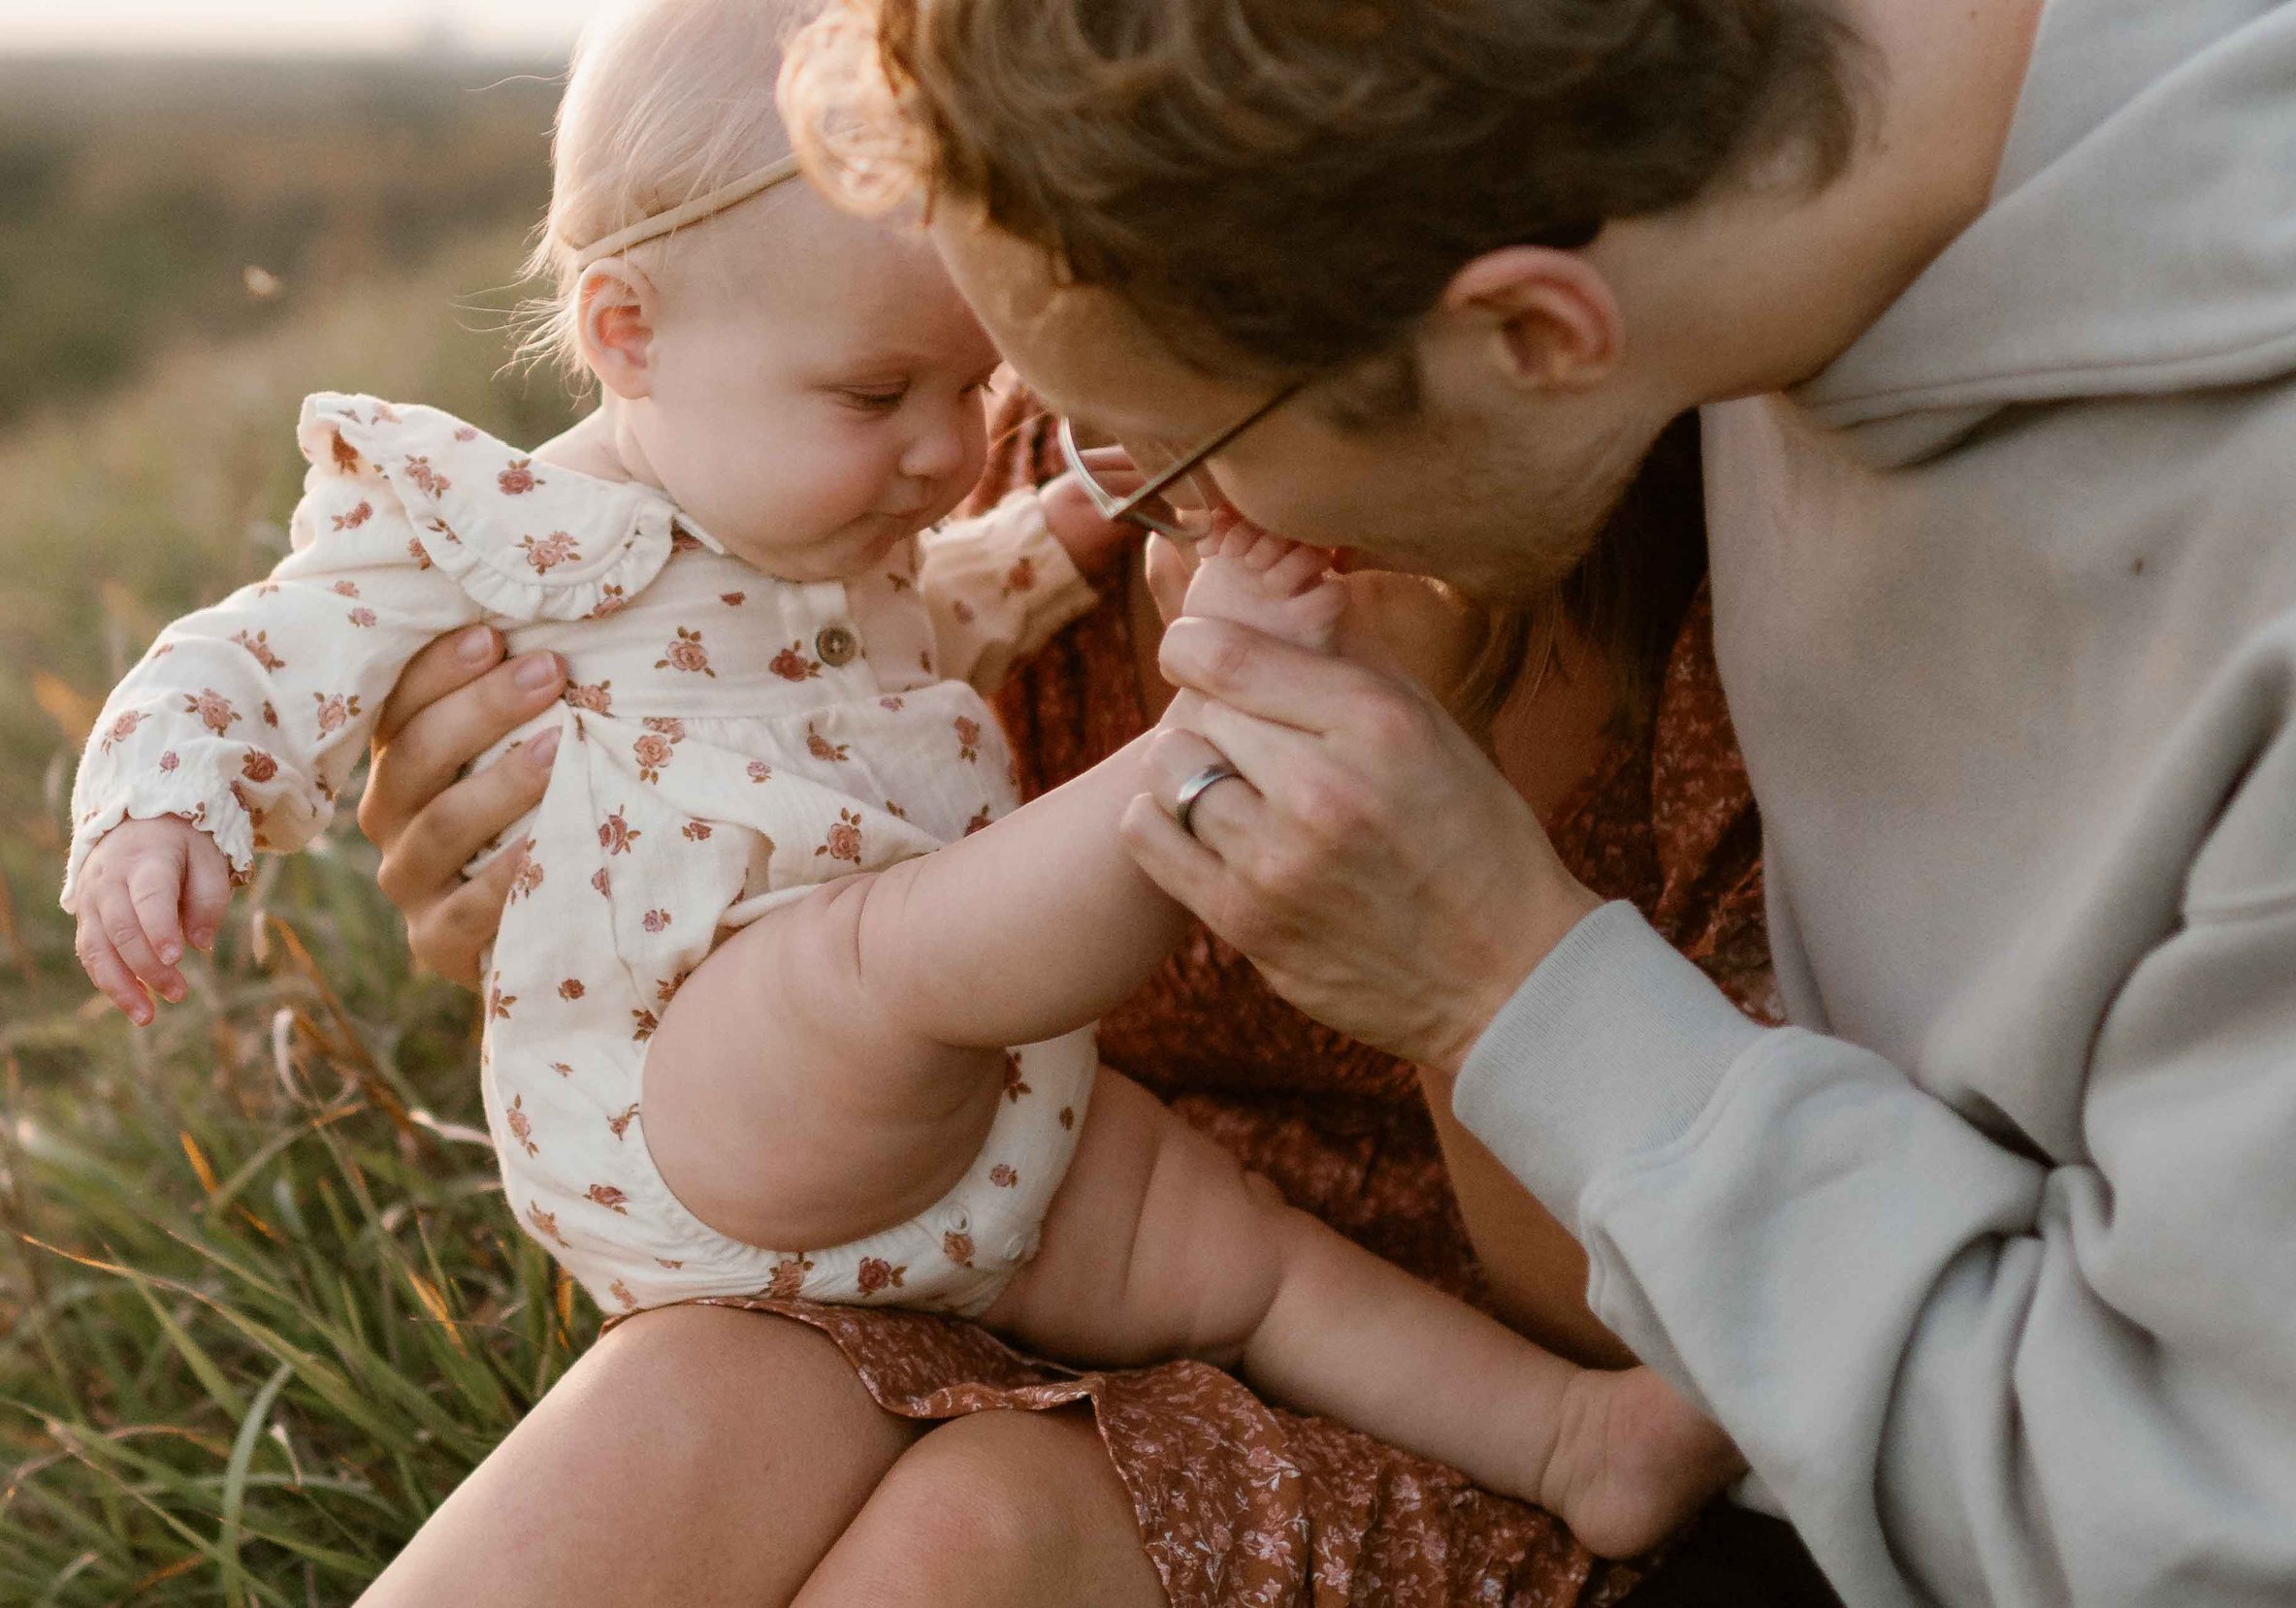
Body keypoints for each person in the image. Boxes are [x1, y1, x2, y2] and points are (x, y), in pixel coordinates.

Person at [63, 0, 1733, 1581]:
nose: (948, 454)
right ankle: (1225, 753)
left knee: (1249, 1260)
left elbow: (962, 602)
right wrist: (163, 813)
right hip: (722, 1123)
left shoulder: (854, 505)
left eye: (977, 392)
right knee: (876, 966)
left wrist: (1066, 532)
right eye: (888, 398)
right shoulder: (493, 527)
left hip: (1005, 1133)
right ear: (624, 334)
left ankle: (1578, 1439)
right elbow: (251, 658)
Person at [787, 0, 2296, 1601]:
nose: (1178, 521)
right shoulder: (1764, 176)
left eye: (1170, 456)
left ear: (1537, 336)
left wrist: (1506, 987)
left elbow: (2218, 1533)